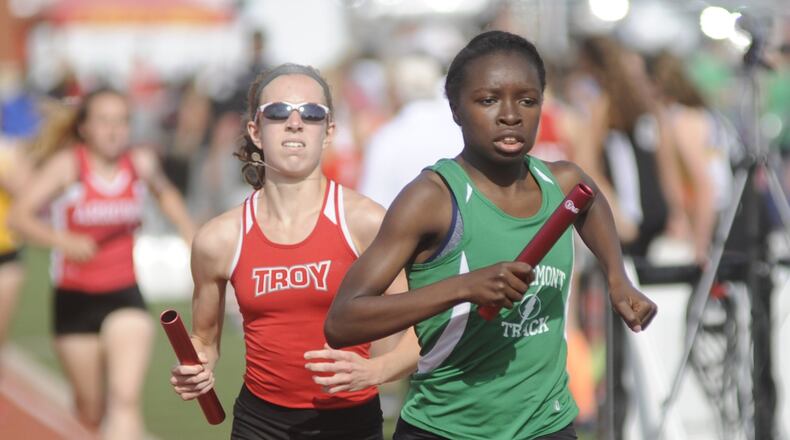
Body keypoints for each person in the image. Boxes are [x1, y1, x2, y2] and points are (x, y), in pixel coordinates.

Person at [324, 31, 658, 440]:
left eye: (527, 100)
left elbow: (589, 202)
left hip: (547, 425)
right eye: (487, 100)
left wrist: (616, 277)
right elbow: (343, 320)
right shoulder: (432, 199)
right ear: (455, 110)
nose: (510, 114)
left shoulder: (563, 182)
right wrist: (464, 287)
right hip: (446, 428)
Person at [168, 63, 412, 440]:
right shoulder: (218, 238)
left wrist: (375, 372)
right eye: (279, 112)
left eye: (312, 114)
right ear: (256, 131)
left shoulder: (366, 223)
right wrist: (196, 366)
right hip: (260, 424)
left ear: (328, 132)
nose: (295, 123)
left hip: (351, 422)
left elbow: (421, 331)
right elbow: (204, 339)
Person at [9, 88, 195, 440]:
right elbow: (20, 217)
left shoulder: (139, 163)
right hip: (74, 299)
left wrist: (190, 232)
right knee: (90, 411)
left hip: (124, 295)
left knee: (124, 399)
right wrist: (61, 240)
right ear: (85, 129)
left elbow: (166, 193)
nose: (114, 130)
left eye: (122, 121)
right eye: (104, 121)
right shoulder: (68, 166)